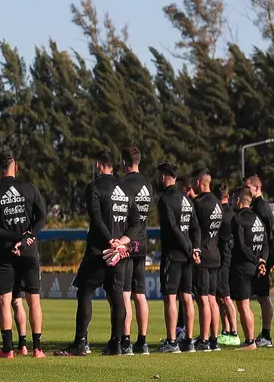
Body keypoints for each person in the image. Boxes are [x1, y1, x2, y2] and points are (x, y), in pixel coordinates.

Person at [59, 153, 138, 357]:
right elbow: (137, 223)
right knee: (117, 296)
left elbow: (95, 218)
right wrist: (121, 242)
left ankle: (81, 343)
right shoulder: (127, 189)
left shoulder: (94, 187)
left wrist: (110, 240)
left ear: (98, 165)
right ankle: (117, 344)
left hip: (98, 251)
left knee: (84, 292)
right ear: (113, 166)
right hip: (120, 253)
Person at [0, 150, 47, 359]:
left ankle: (8, 349)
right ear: (15, 168)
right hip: (29, 250)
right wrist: (27, 237)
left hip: (4, 251)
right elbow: (42, 216)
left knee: (4, 300)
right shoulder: (30, 188)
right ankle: (37, 348)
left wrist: (13, 238)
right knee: (33, 300)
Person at [156, 162, 200, 353]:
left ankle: (172, 341)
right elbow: (195, 228)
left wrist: (189, 247)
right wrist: (195, 248)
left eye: (159, 175)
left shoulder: (165, 200)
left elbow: (173, 229)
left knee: (170, 298)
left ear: (165, 176)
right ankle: (189, 341)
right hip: (188, 256)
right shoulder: (187, 200)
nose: (158, 178)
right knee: (187, 297)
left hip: (174, 254)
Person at [119, 146, 153, 355]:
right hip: (143, 243)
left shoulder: (123, 185)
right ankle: (143, 341)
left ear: (124, 162)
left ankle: (126, 341)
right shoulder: (148, 185)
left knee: (125, 293)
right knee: (140, 295)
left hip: (128, 242)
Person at [230, 187, 268, 351]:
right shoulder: (257, 218)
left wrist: (255, 260)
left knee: (243, 305)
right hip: (256, 266)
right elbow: (265, 244)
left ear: (238, 200)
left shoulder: (237, 219)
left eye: (233, 199)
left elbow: (240, 245)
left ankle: (250, 341)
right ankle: (250, 339)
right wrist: (262, 261)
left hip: (243, 266)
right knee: (246, 304)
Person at [244, 175, 274, 347]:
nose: (245, 190)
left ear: (257, 188)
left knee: (263, 296)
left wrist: (264, 259)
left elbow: (268, 236)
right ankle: (264, 334)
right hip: (260, 257)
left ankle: (266, 334)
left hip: (262, 258)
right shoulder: (256, 206)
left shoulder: (261, 208)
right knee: (261, 296)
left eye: (247, 187)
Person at [192, 170, 222, 352]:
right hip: (215, 253)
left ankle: (203, 340)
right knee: (212, 299)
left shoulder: (199, 204)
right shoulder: (217, 203)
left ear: (198, 182)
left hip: (202, 254)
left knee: (203, 299)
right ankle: (214, 339)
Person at [215, 183, 240, 346]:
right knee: (220, 297)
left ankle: (234, 332)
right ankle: (226, 330)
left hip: (224, 258)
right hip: (227, 257)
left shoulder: (221, 214)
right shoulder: (232, 212)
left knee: (225, 296)